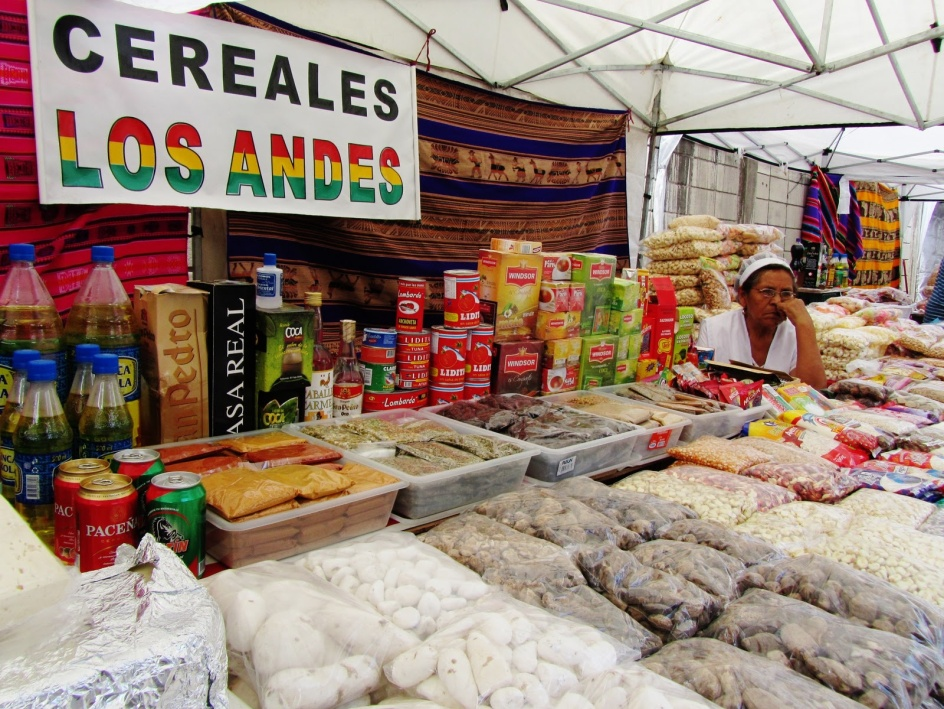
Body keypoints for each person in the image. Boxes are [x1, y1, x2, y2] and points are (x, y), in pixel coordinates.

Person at [696, 252, 827, 389]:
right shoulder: (714, 329)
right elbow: (700, 382)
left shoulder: (796, 333)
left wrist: (804, 324)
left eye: (786, 293)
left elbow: (814, 390)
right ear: (743, 296)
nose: (776, 301)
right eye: (767, 292)